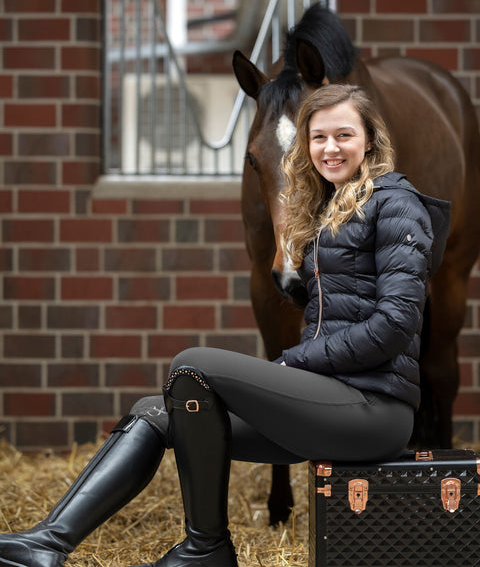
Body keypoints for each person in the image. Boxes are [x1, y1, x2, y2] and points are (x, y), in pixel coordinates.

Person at [0, 83, 450, 567]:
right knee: (155, 411)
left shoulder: (396, 203)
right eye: (318, 137)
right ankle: (50, 542)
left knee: (192, 365)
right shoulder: (329, 209)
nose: (330, 148)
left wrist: (292, 363)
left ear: (369, 140)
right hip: (328, 399)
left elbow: (395, 325)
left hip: (372, 410)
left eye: (344, 134)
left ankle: (203, 547)